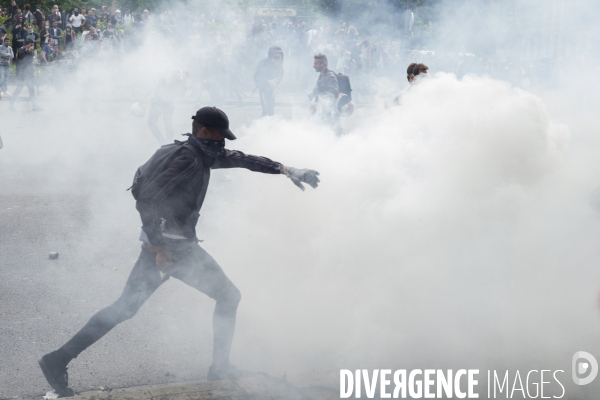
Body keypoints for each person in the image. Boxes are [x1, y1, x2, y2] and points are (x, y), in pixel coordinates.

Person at [38, 106, 320, 397]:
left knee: (126, 307)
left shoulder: (197, 152)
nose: (222, 143)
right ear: (205, 131)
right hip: (172, 248)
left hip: (173, 244)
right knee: (226, 296)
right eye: (220, 136)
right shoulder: (189, 159)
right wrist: (160, 249)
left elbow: (243, 159)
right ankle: (219, 368)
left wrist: (286, 170)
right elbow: (147, 199)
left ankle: (57, 359)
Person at [147, 69, 188, 144]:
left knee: (153, 122)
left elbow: (157, 86)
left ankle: (164, 143)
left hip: (161, 102)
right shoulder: (172, 74)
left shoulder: (167, 75)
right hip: (167, 102)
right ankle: (167, 143)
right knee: (166, 123)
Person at [309, 53, 343, 135]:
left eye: (316, 64)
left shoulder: (330, 76)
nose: (313, 66)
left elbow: (333, 92)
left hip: (330, 114)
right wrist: (310, 97)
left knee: (336, 137)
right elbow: (316, 90)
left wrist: (321, 100)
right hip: (322, 113)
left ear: (322, 64)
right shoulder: (321, 76)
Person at [9, 39, 40, 111]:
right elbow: (25, 61)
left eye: (33, 45)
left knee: (31, 90)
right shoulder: (21, 51)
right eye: (31, 45)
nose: (32, 46)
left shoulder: (29, 51)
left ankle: (34, 106)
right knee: (18, 89)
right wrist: (29, 52)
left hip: (28, 74)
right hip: (22, 75)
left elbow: (29, 62)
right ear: (26, 44)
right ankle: (10, 104)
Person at [253, 46, 284, 117]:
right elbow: (257, 76)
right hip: (264, 89)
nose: (278, 55)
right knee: (266, 110)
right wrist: (266, 82)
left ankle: (270, 124)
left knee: (271, 108)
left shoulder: (278, 63)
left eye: (280, 53)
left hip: (272, 89)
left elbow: (280, 75)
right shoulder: (263, 62)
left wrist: (276, 81)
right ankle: (265, 124)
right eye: (276, 53)